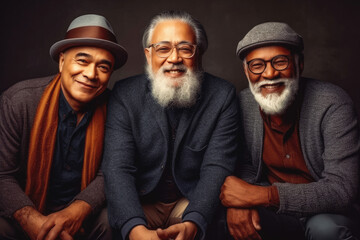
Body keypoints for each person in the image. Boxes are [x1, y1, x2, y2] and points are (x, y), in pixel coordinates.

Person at [102, 10, 238, 240]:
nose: (174, 58)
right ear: (148, 55)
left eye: (185, 48)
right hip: (142, 200)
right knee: (106, 222)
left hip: (191, 200)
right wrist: (135, 230)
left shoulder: (222, 96)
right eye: (163, 49)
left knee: (220, 222)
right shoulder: (125, 94)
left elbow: (217, 167)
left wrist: (194, 222)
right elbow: (118, 168)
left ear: (198, 54)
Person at [220, 22, 360, 240]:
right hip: (275, 214)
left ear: (299, 64)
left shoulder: (332, 103)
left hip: (327, 213)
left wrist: (263, 195)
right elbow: (244, 166)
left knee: (326, 230)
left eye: (280, 62)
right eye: (257, 65)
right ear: (246, 71)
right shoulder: (243, 104)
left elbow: (341, 190)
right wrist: (241, 203)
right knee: (226, 223)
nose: (269, 73)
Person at [0, 14, 127, 240]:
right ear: (61, 61)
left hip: (84, 217)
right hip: (24, 210)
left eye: (103, 67)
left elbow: (110, 173)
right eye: (82, 60)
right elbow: (3, 176)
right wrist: (35, 222)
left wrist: (76, 212)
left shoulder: (117, 109)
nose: (90, 74)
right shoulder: (19, 101)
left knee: (112, 220)